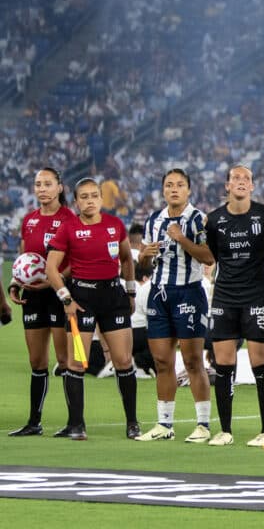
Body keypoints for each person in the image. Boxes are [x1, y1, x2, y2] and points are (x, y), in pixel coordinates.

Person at [44, 177, 140, 440]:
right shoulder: (68, 228)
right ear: (76, 202)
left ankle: (132, 423)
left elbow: (126, 260)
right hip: (82, 301)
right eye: (83, 197)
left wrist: (130, 290)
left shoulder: (114, 225)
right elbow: (50, 269)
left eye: (94, 195)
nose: (89, 200)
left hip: (113, 299)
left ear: (101, 198)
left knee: (122, 360)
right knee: (77, 362)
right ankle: (77, 425)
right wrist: (66, 299)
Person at [134, 169, 215, 443]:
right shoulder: (154, 220)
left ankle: (203, 424)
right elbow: (143, 266)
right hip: (158, 294)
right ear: (163, 190)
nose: (174, 189)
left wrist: (182, 238)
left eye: (180, 185)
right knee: (161, 361)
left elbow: (209, 256)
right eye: (169, 185)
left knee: (193, 361)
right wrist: (144, 256)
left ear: (189, 190)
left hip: (188, 293)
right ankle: (164, 425)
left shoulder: (198, 219)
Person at [204, 165, 264, 447]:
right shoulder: (214, 219)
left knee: (259, 362)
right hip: (224, 297)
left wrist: (263, 283)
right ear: (227, 185)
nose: (240, 181)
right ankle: (225, 430)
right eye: (235, 177)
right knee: (223, 363)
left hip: (256, 297)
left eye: (246, 178)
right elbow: (213, 254)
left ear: (252, 186)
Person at [6, 168, 75, 437]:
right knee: (37, 361)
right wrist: (15, 281)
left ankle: (73, 422)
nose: (42, 189)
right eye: (38, 184)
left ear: (59, 187)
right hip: (34, 295)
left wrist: (55, 279)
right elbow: (25, 257)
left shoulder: (70, 219)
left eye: (48, 184)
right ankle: (34, 422)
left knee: (64, 359)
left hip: (59, 294)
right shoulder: (29, 220)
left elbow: (76, 259)